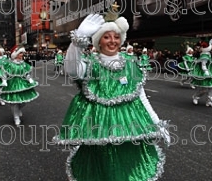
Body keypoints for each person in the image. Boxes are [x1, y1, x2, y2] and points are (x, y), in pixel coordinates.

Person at [53, 13, 170, 181]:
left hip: (130, 126)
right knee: (101, 167)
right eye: (106, 37)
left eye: (116, 37)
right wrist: (78, 40)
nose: (112, 41)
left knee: (127, 165)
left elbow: (142, 97)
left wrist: (157, 121)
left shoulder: (130, 64)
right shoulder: (90, 64)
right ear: (98, 41)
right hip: (98, 128)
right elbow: (71, 69)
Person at [0, 46, 39, 125]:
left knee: (23, 101)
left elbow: (26, 73)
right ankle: (16, 117)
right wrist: (4, 81)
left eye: (22, 53)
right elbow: (4, 73)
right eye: (20, 53)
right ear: (15, 54)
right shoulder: (9, 64)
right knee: (14, 102)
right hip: (12, 83)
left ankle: (18, 109)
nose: (22, 55)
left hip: (22, 83)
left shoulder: (23, 64)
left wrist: (29, 79)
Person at [190, 39, 212, 107]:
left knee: (211, 87)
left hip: (210, 72)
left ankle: (210, 101)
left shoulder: (208, 54)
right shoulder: (204, 56)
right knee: (204, 88)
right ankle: (195, 97)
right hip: (205, 73)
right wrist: (206, 72)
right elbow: (203, 66)